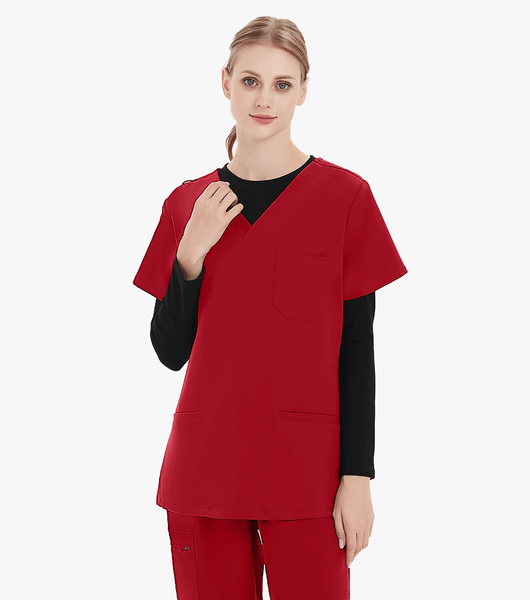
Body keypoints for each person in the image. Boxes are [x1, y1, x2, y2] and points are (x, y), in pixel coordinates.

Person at [133, 15, 407, 600]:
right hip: (205, 471)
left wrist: (358, 475)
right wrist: (189, 255)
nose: (264, 99)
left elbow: (357, 349)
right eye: (250, 81)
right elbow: (169, 351)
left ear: (303, 91)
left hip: (308, 475)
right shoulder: (187, 205)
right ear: (225, 82)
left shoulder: (346, 198)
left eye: (282, 84)